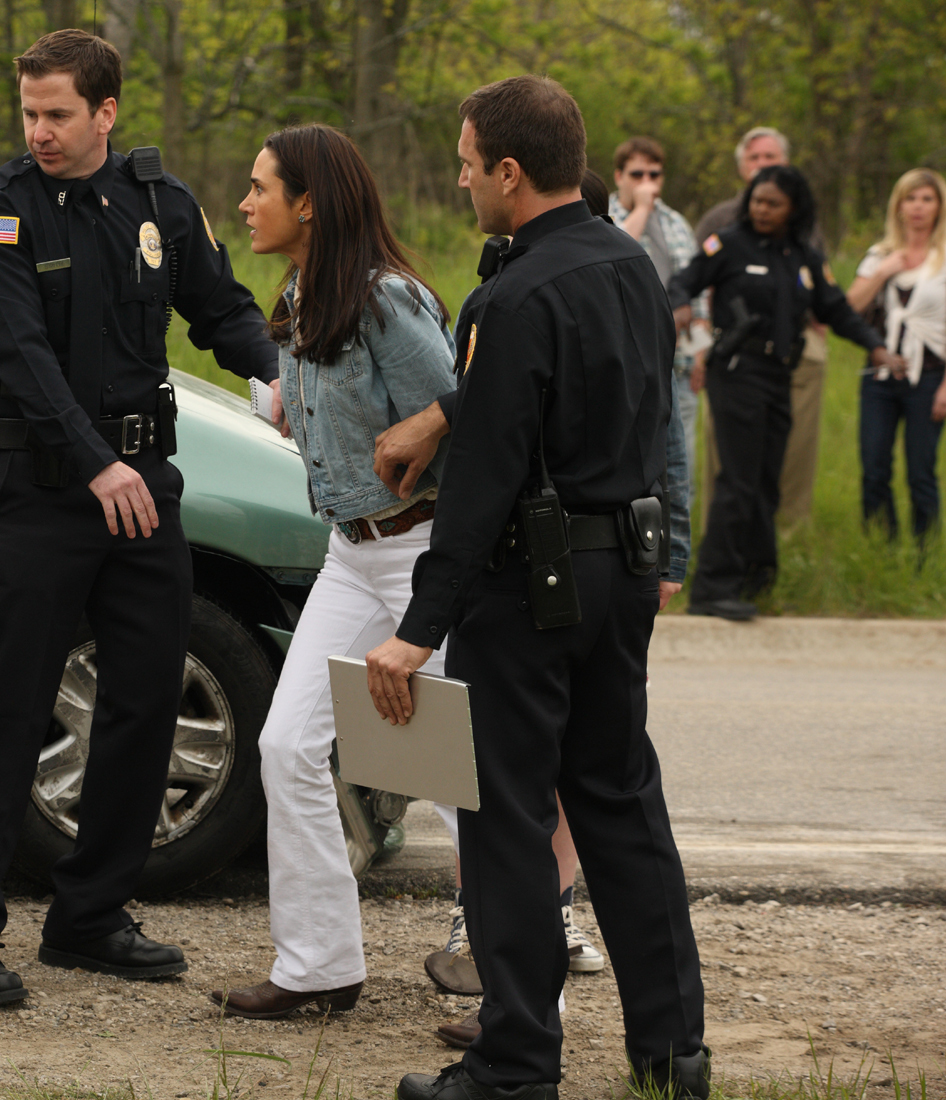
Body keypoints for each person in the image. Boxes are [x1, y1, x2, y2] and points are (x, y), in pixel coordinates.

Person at [366, 75, 708, 1100]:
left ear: (509, 172)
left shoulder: (512, 296)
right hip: (623, 572)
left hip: (529, 588)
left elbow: (484, 485)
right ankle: (671, 1052)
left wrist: (415, 631)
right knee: (620, 802)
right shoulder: (630, 267)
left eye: (469, 165)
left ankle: (514, 1063)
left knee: (508, 818)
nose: (464, 180)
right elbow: (619, 409)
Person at [0, 29, 278, 1008]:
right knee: (11, 702)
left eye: (58, 113)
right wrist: (96, 464)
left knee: (147, 694)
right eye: (29, 112)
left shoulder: (159, 204)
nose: (39, 130)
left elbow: (221, 309)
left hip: (140, 482)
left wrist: (280, 371)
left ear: (106, 112)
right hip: (46, 491)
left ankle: (91, 914)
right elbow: (21, 356)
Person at [203, 124, 456, 1021]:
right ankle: (318, 966)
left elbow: (463, 411)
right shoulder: (303, 295)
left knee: (457, 775)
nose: (246, 202)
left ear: (309, 201)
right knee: (286, 747)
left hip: (428, 552)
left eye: (259, 187)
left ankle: (519, 978)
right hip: (351, 554)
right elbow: (305, 411)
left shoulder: (387, 301)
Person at [669, 166, 900, 620]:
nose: (761, 209)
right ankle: (712, 588)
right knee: (737, 479)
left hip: (778, 376)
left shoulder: (803, 256)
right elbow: (684, 280)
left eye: (772, 203)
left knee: (766, 482)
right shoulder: (728, 243)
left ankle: (758, 581)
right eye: (757, 200)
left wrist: (875, 347)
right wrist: (679, 304)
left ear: (794, 207)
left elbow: (835, 308)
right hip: (736, 372)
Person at [693, 127, 825, 528]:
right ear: (741, 167)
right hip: (731, 345)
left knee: (793, 444)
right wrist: (700, 343)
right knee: (727, 448)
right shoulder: (719, 219)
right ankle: (723, 526)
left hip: (795, 343)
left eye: (770, 158)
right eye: (755, 158)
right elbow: (694, 285)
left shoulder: (804, 220)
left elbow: (819, 284)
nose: (762, 165)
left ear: (785, 164)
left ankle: (786, 527)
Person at [845, 168, 946, 541]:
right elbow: (849, 307)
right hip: (880, 378)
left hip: (931, 376)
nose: (918, 207)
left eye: (926, 199)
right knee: (874, 467)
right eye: (910, 198)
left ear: (939, 206)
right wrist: (884, 271)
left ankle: (925, 551)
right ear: (898, 205)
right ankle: (880, 545)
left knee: (921, 470)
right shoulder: (880, 254)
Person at [610, 137, 705, 466]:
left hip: (678, 363)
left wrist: (701, 352)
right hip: (627, 366)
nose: (647, 183)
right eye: (637, 175)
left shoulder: (676, 222)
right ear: (619, 176)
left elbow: (698, 291)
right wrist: (642, 209)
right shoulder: (603, 216)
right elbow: (613, 251)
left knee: (682, 463)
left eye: (655, 175)